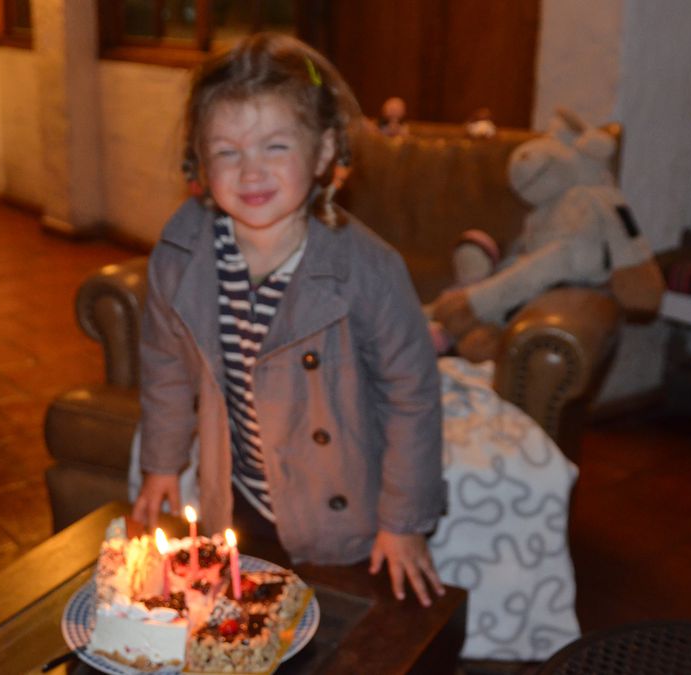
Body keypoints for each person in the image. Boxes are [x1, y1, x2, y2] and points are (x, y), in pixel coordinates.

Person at [131, 32, 446, 607]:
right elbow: (166, 368)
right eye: (227, 151)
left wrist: (404, 522)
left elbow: (412, 398)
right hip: (239, 493)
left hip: (343, 505)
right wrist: (162, 464)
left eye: (275, 146)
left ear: (325, 151)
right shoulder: (181, 256)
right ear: (200, 162)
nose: (250, 172)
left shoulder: (368, 270)